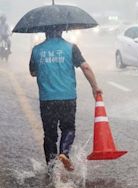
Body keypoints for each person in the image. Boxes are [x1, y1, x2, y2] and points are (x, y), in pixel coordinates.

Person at [29, 29, 102, 174]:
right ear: (62, 31)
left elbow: (33, 72)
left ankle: (51, 169)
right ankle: (64, 152)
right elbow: (85, 67)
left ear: (45, 31)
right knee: (68, 128)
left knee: (49, 134)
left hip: (47, 99)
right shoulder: (71, 48)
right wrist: (95, 87)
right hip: (67, 98)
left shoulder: (36, 50)